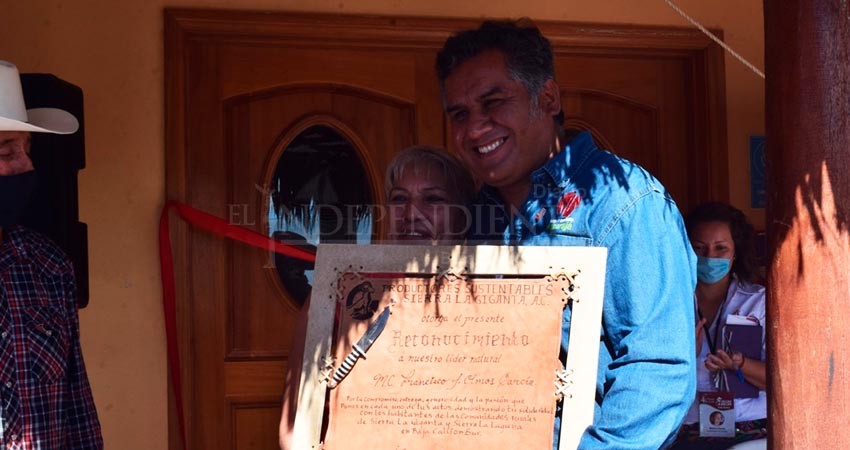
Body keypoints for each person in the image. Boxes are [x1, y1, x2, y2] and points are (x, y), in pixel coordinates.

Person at [436, 20, 697, 449]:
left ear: (549, 98)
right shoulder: (475, 215)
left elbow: (658, 371)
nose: (475, 128)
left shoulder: (625, 201)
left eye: (494, 102)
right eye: (459, 115)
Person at [278, 145, 474, 449]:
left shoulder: (491, 299)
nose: (411, 214)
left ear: (463, 218)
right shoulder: (336, 290)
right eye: (399, 199)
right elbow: (295, 426)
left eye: (433, 199)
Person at [0, 61, 103, 448]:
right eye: (7, 150)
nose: (26, 164)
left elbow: (77, 406)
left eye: (26, 149)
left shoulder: (50, 266)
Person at [671, 202, 767, 450]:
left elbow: (780, 381)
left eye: (721, 248)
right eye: (699, 248)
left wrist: (741, 364)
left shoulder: (759, 302)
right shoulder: (670, 303)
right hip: (688, 427)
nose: (710, 257)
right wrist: (684, 357)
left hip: (751, 428)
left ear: (736, 253)